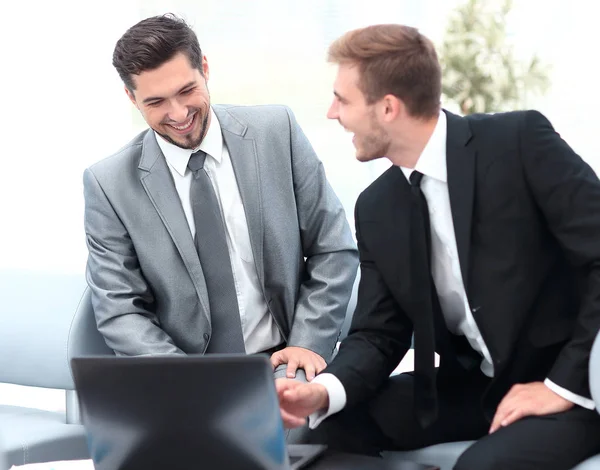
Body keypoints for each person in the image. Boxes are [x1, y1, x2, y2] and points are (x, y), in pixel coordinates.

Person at [276, 24, 600, 469]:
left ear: (387, 107)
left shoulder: (519, 143)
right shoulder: (377, 207)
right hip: (468, 389)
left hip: (567, 388)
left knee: (480, 467)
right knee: (324, 433)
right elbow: (378, 333)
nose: (333, 113)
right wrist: (321, 391)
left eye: (343, 99)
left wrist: (560, 387)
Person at [83, 14, 358, 383]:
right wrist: (191, 384)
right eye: (156, 102)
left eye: (186, 91)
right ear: (131, 98)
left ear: (206, 69)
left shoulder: (277, 132)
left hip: (285, 362)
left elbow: (333, 249)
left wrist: (308, 343)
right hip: (183, 375)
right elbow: (120, 309)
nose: (178, 114)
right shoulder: (108, 184)